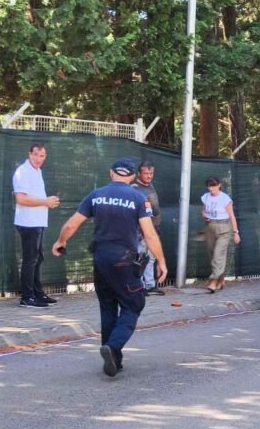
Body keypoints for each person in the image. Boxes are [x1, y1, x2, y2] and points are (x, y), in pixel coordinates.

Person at [51, 159, 167, 377]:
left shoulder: (96, 195)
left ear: (111, 173)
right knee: (134, 304)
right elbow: (150, 234)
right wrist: (161, 261)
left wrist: (60, 242)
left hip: (101, 258)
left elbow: (71, 224)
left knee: (108, 306)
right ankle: (113, 348)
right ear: (132, 177)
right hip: (124, 260)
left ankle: (115, 360)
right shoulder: (138, 198)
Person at [12, 142, 61, 308]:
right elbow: (20, 199)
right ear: (29, 154)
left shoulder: (36, 171)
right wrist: (45, 202)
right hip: (28, 223)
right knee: (30, 260)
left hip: (38, 222)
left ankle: (37, 294)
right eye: (35, 155)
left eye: (42, 156)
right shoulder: (23, 171)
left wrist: (46, 202)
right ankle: (26, 297)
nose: (38, 159)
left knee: (37, 259)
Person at [201, 176, 240, 292]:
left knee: (218, 254)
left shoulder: (225, 199)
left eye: (213, 185)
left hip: (224, 228)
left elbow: (232, 216)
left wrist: (236, 232)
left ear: (219, 185)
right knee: (213, 255)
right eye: (209, 186)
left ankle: (213, 280)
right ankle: (221, 279)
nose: (211, 188)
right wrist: (204, 216)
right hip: (210, 227)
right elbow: (203, 211)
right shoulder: (205, 197)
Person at [131, 161, 164, 296]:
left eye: (151, 173)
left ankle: (150, 285)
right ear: (139, 173)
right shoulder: (134, 188)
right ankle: (139, 286)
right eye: (146, 173)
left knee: (151, 257)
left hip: (153, 227)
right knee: (140, 257)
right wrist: (141, 230)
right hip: (141, 229)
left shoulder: (150, 185)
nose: (149, 176)